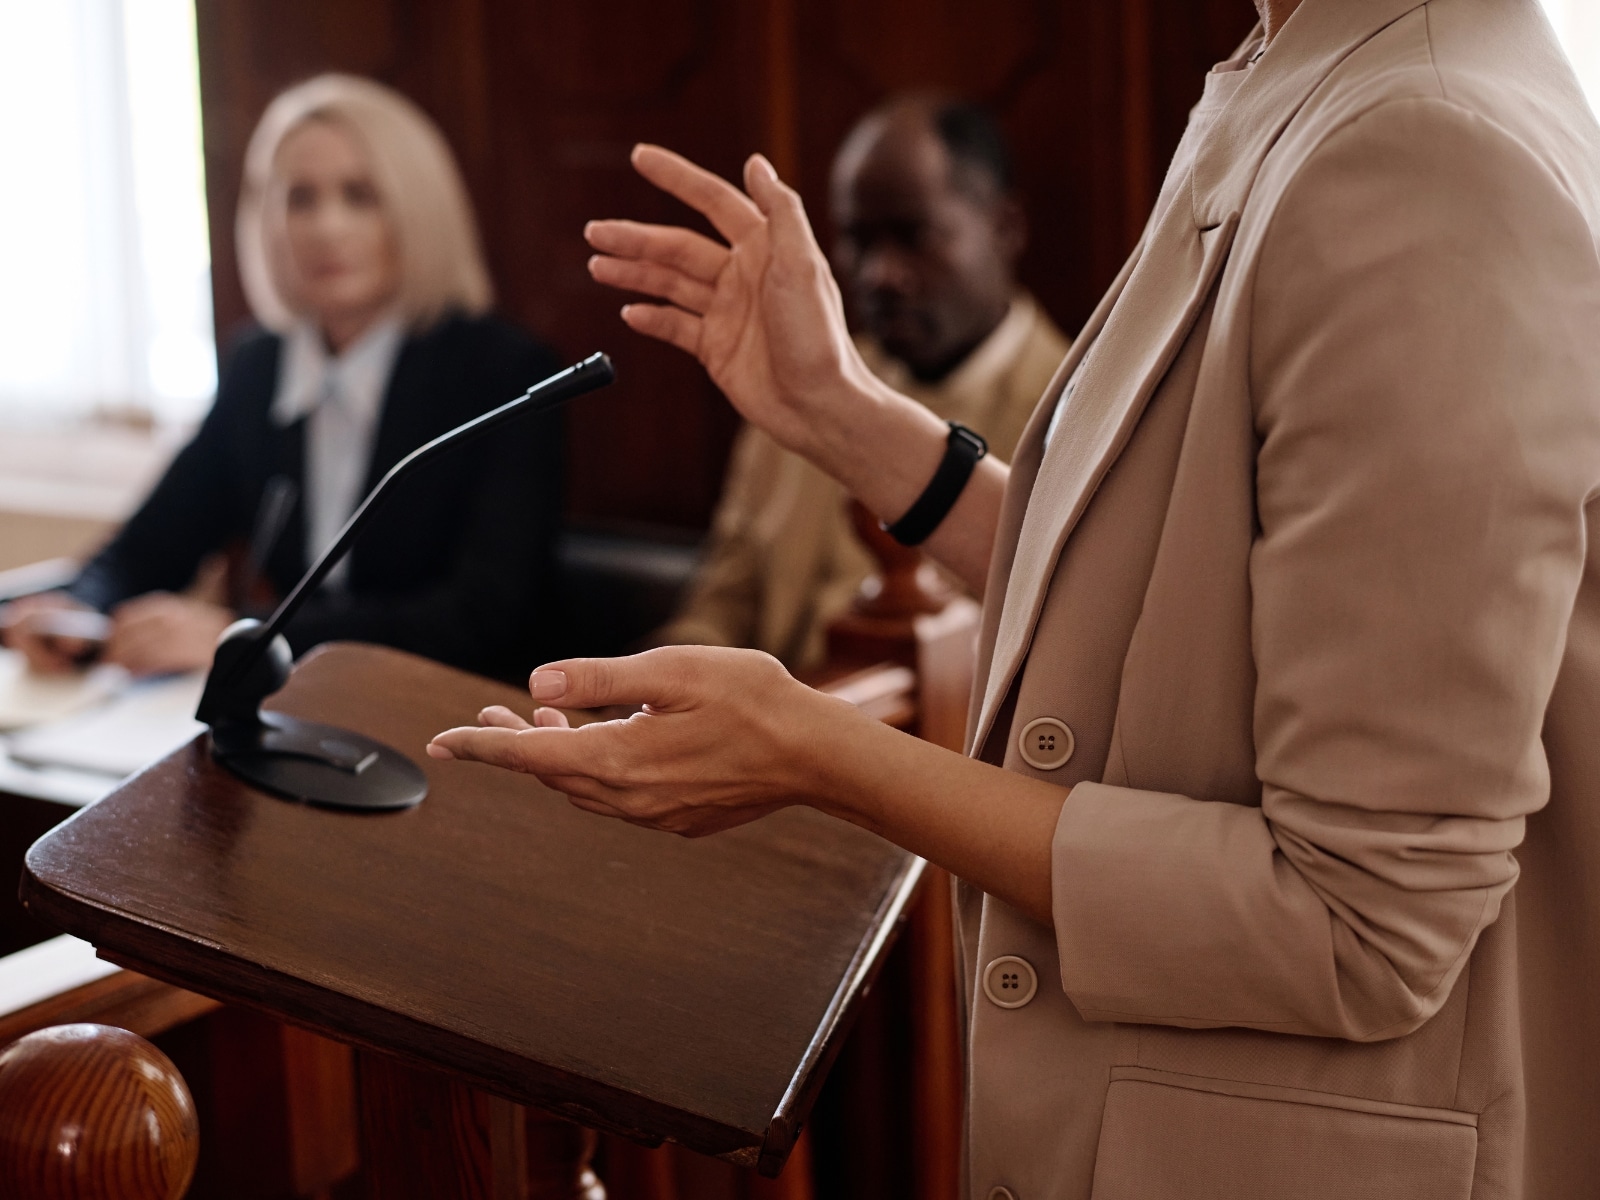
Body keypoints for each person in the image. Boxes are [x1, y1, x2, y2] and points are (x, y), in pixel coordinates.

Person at [432, 0, 1600, 1196]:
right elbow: (1174, 602)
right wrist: (842, 413)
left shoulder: (1430, 150)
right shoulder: (1300, 71)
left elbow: (1361, 921)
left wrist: (817, 753)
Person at [1, 74, 563, 684]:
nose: (326, 227)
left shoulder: (502, 372)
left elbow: (480, 618)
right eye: (300, 198)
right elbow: (152, 543)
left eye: (360, 195)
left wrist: (244, 635)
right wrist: (81, 608)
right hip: (298, 709)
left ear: (415, 209)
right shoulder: (260, 365)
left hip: (449, 716)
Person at [653, 95, 1068, 670]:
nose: (880, 273)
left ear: (1005, 227)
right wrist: (653, 691)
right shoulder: (797, 380)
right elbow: (724, 599)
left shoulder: (1074, 416)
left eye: (912, 234)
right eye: (858, 239)